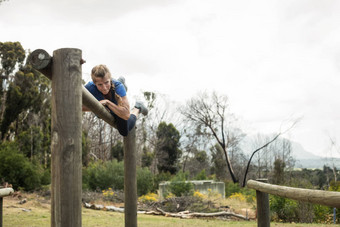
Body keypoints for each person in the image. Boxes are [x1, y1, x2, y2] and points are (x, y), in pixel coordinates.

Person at [83, 64, 148, 136]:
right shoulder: (89, 87)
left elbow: (126, 115)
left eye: (106, 82)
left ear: (110, 79)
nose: (104, 87)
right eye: (100, 85)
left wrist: (107, 103)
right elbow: (78, 106)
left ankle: (138, 107)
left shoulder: (118, 87)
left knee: (124, 131)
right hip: (106, 106)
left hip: (116, 105)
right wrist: (97, 105)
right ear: (95, 83)